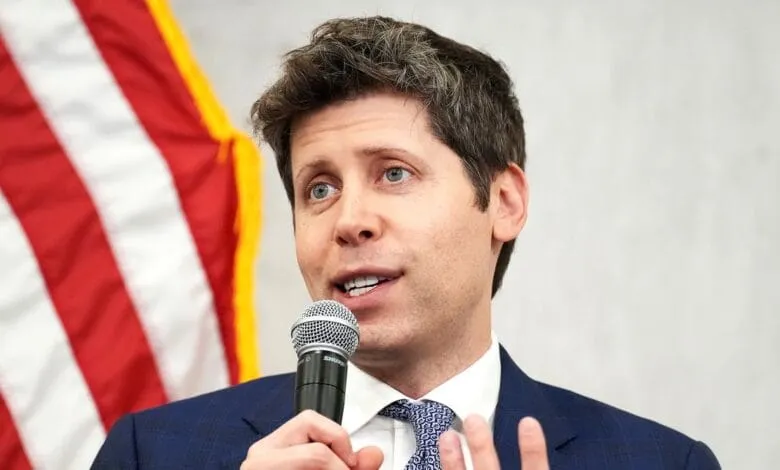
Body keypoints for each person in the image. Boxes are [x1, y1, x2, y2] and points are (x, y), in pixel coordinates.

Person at [91, 15, 722, 470]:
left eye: (394, 173)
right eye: (318, 189)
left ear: (503, 202)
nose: (348, 219)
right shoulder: (154, 453)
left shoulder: (663, 462)